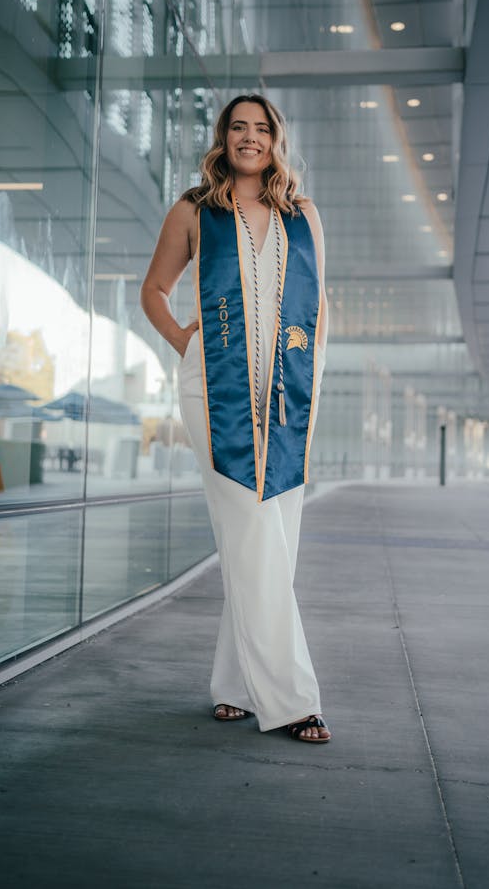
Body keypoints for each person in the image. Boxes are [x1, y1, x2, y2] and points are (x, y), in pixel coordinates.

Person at [140, 93, 331, 744]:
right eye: (238, 127)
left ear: (277, 140)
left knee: (273, 535)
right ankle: (292, 697)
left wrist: (310, 381)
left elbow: (319, 303)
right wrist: (184, 340)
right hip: (213, 390)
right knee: (252, 529)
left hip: (285, 393)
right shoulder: (194, 210)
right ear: (222, 137)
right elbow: (154, 290)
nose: (250, 138)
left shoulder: (301, 214)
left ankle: (233, 685)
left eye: (262, 128)